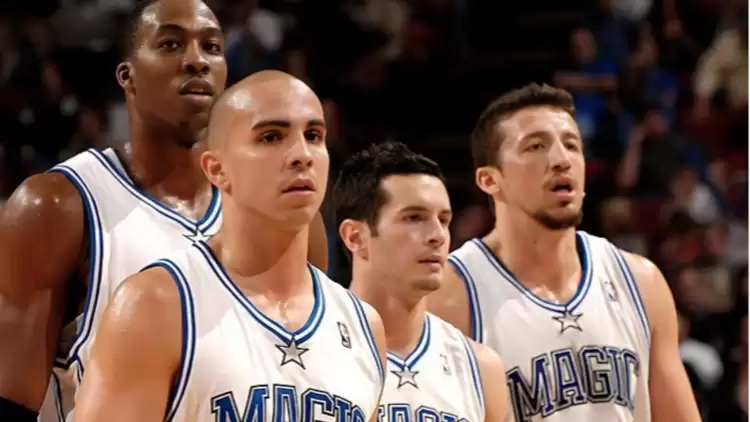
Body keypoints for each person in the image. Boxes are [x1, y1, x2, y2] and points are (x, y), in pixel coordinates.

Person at [0, 1, 329, 420]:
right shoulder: (58, 206)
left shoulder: (286, 216)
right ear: (127, 75)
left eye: (212, 47)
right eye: (171, 44)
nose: (196, 60)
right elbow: (11, 402)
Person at [73, 70, 387, 421]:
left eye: (313, 135)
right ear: (217, 169)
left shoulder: (364, 326)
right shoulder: (156, 305)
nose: (302, 154)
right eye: (271, 136)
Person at [428, 83, 702, 422]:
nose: (561, 160)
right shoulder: (450, 297)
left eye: (572, 145)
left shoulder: (641, 283)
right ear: (489, 180)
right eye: (536, 146)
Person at [334, 142, 509, 422]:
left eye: (444, 220)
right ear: (355, 237)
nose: (437, 235)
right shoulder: (315, 350)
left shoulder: (480, 369)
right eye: (414, 218)